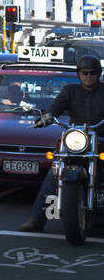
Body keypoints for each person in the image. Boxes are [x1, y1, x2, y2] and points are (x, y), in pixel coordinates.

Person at [21, 55, 104, 231]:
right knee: (55, 170)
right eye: (85, 72)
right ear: (79, 74)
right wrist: (48, 116)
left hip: (101, 138)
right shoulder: (70, 91)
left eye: (92, 73)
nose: (88, 76)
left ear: (99, 74)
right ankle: (37, 218)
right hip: (77, 139)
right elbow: (56, 106)